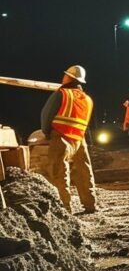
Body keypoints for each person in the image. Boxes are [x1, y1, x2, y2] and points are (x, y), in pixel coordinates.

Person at [40, 64, 97, 213]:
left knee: (59, 172)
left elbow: (46, 115)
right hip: (79, 139)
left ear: (69, 78)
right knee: (84, 170)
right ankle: (90, 204)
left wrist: (46, 132)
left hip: (61, 137)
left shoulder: (61, 94)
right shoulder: (88, 99)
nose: (63, 77)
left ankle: (64, 208)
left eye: (65, 75)